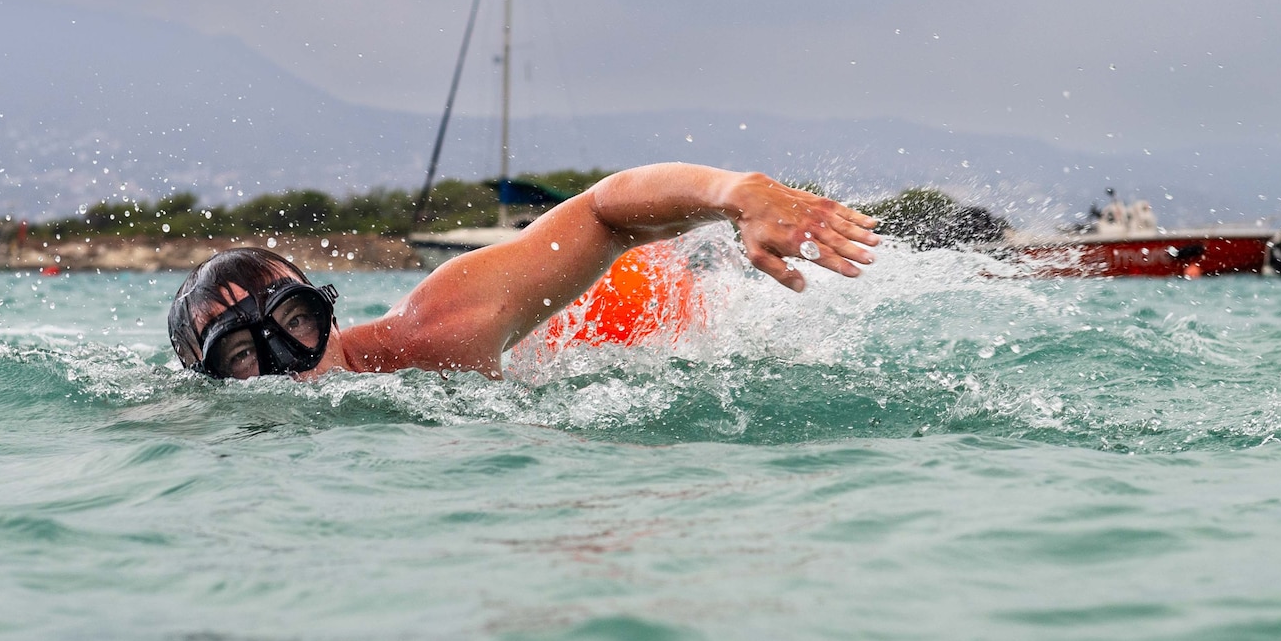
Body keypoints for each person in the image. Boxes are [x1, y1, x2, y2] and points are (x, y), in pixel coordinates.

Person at [167, 163, 880, 380]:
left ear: (326, 311)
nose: (286, 363)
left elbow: (601, 211)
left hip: (619, 326)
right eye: (243, 354)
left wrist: (734, 195)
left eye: (295, 322)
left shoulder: (435, 333)